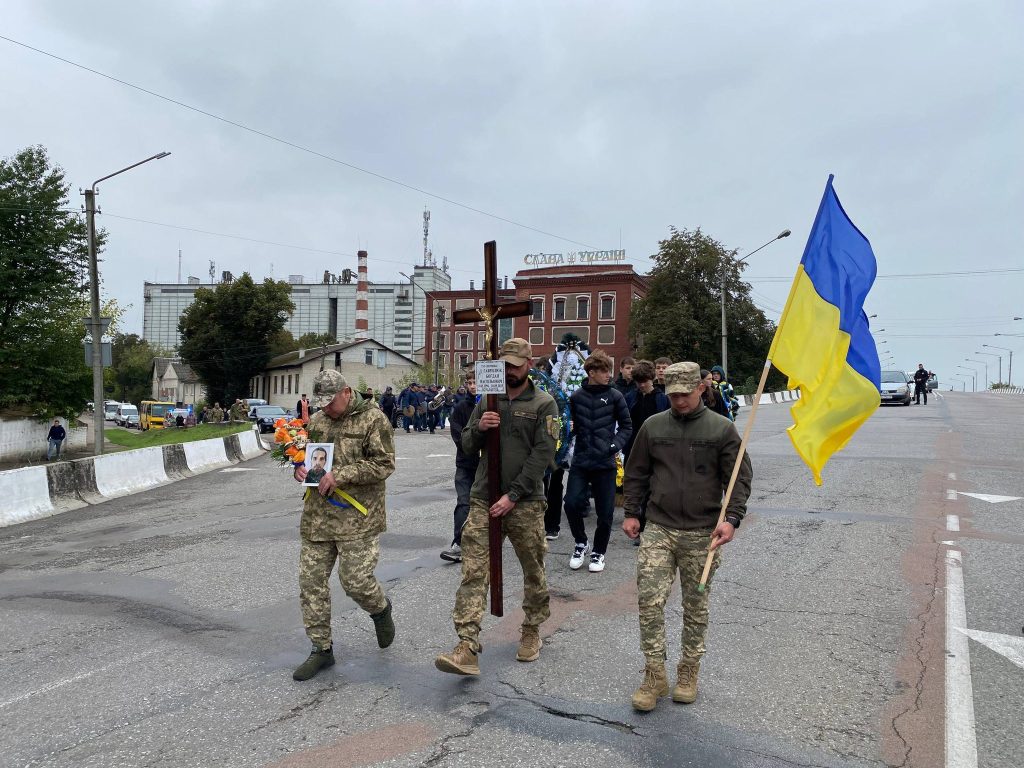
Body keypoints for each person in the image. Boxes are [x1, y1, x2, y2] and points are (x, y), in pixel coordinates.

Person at [623, 362, 753, 711]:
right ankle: (654, 673)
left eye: (684, 394)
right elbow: (636, 472)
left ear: (700, 388)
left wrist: (732, 519)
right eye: (673, 395)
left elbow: (738, 479)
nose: (679, 401)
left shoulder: (721, 429)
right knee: (649, 601)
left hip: (702, 532)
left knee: (695, 605)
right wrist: (632, 512)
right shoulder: (653, 426)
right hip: (659, 527)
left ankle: (688, 671)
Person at [435, 338, 559, 676]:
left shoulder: (544, 404)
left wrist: (513, 495)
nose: (509, 372)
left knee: (533, 569)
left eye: (516, 366)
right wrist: (480, 427)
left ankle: (532, 628)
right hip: (483, 498)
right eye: (505, 365)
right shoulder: (488, 399)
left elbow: (543, 456)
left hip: (525, 502)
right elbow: (466, 444)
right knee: (473, 571)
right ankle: (467, 645)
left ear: (529, 365)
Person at [290, 369, 397, 681]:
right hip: (318, 518)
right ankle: (321, 649)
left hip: (358, 519)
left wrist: (341, 475)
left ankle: (380, 608)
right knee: (310, 583)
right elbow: (307, 457)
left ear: (347, 392)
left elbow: (384, 464)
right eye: (321, 401)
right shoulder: (317, 421)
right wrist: (299, 469)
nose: (326, 406)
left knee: (355, 582)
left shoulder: (373, 419)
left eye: (331, 400)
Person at [563, 350, 632, 573]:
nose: (608, 375)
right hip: (581, 461)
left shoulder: (615, 396)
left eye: (609, 371)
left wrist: (613, 446)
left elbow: (627, 426)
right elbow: (571, 427)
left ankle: (599, 552)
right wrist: (567, 429)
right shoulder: (576, 397)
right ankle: (581, 543)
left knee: (605, 512)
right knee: (571, 503)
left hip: (605, 463)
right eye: (604, 371)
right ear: (591, 373)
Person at [623, 361, 670, 545]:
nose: (642, 385)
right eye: (638, 381)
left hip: (656, 448)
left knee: (653, 488)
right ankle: (638, 524)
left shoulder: (662, 399)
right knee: (635, 486)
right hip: (633, 447)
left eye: (645, 381)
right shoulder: (630, 397)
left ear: (652, 378)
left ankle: (649, 527)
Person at [440, 375, 480, 563]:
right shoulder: (461, 408)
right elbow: (458, 435)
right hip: (466, 463)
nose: (472, 386)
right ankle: (459, 544)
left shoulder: (493, 405)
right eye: (469, 383)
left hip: (487, 465)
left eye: (475, 382)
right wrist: (472, 447)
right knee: (464, 502)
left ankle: (487, 542)